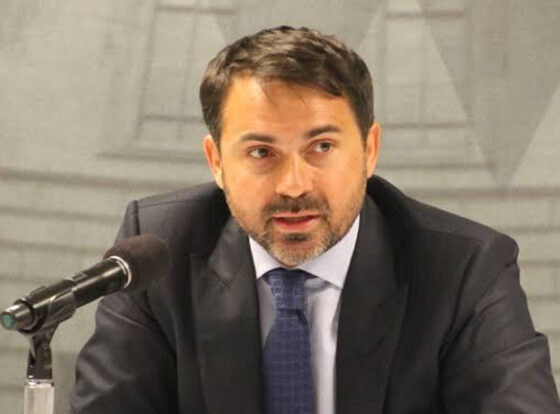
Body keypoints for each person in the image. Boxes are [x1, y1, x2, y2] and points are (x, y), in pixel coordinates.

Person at [69, 26, 560, 414]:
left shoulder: (466, 270)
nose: (293, 185)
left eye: (322, 147)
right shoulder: (159, 252)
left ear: (369, 150)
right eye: (261, 152)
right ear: (216, 161)